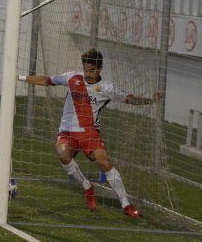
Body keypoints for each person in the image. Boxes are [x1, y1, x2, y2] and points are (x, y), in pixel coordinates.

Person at [18, 48, 163, 218]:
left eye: (92, 71)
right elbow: (48, 80)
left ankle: (126, 204)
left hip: (89, 134)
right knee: (62, 153)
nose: (88, 74)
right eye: (86, 70)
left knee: (104, 161)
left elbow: (130, 99)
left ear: (100, 69)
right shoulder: (72, 77)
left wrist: (152, 100)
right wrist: (20, 77)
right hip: (67, 132)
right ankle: (87, 186)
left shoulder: (107, 88)